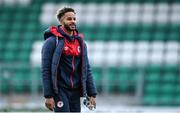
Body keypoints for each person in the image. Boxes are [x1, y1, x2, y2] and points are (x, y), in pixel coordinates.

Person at [41, 7, 97, 112]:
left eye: (74, 19)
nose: (73, 21)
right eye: (69, 19)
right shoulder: (51, 42)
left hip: (76, 91)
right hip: (60, 90)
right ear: (61, 21)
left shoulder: (81, 43)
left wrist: (92, 93)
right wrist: (48, 95)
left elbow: (86, 69)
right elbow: (46, 70)